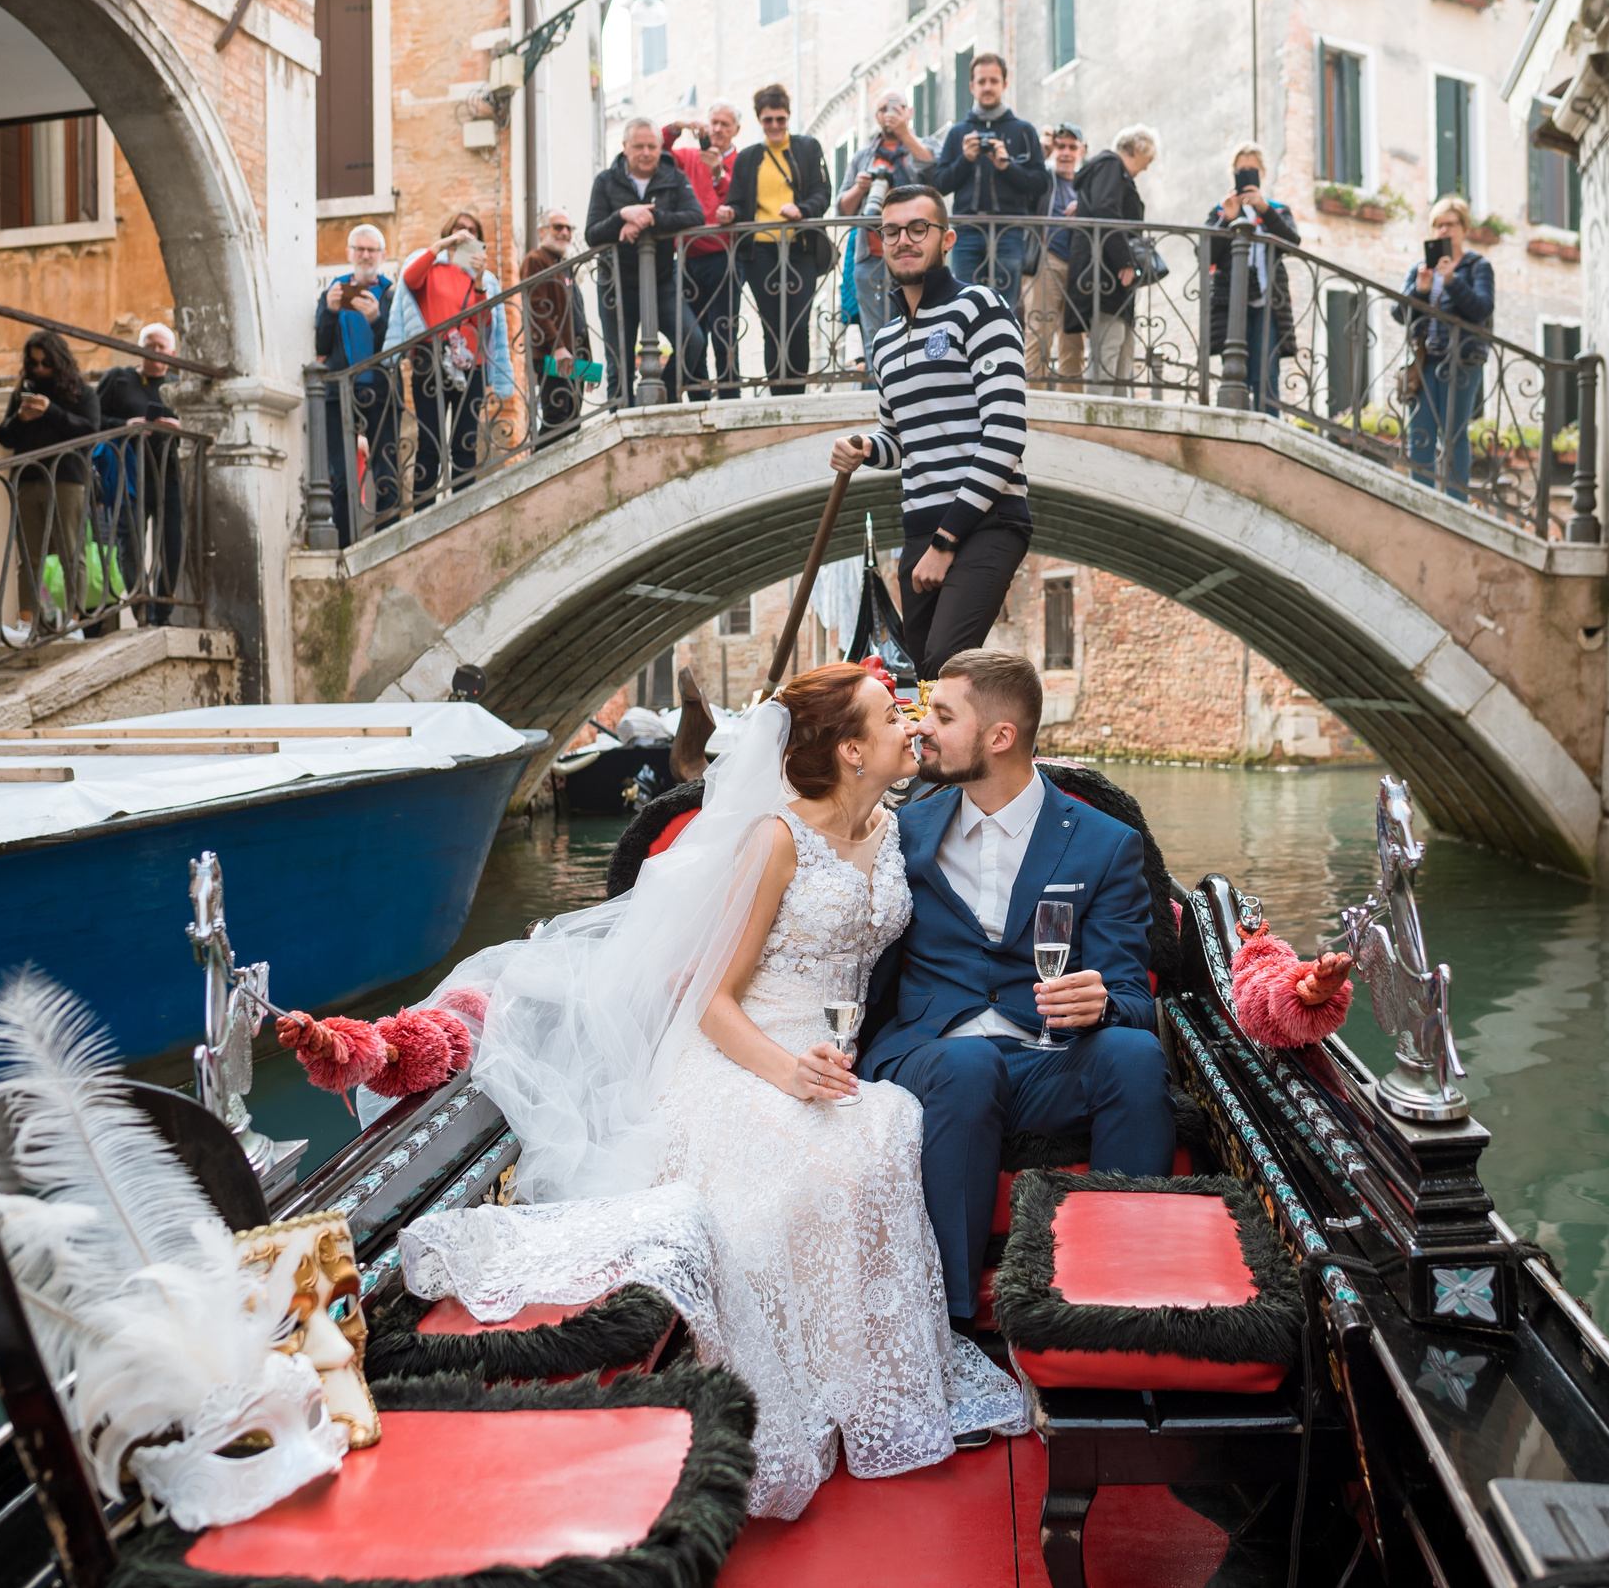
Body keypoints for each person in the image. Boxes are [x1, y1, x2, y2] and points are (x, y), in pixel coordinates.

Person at [411, 662, 1027, 1517]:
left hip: (834, 1060)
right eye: (893, 716)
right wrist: (786, 1072)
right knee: (837, 1154)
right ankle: (803, 1392)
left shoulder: (891, 828)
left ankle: (869, 1381)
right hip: (745, 1056)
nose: (912, 725)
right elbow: (710, 999)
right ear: (851, 749)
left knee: (888, 1125)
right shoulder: (775, 841)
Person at [862, 649, 1170, 1329]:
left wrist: (1103, 1002)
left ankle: (1115, 1303)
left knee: (1135, 1055)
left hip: (1044, 1059)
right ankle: (949, 1323)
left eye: (942, 715)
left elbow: (1134, 997)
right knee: (968, 1066)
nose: (922, 728)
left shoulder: (1105, 844)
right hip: (930, 1053)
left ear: (999, 736)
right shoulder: (902, 833)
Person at [831, 185, 1030, 677]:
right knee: (923, 678)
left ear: (946, 238)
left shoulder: (980, 308)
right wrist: (863, 447)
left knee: (947, 668)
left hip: (987, 521)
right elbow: (899, 439)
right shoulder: (884, 340)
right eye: (892, 231)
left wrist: (946, 542)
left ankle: (1009, 749)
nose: (905, 240)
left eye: (919, 228)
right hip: (921, 525)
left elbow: (1005, 433)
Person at [585, 118, 704, 405]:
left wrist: (651, 219)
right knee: (618, 362)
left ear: (661, 147)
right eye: (639, 146)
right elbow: (592, 233)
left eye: (652, 146)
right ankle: (621, 420)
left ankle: (660, 396)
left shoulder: (673, 177)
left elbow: (695, 216)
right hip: (616, 284)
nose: (646, 152)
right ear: (625, 147)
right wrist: (622, 216)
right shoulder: (605, 180)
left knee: (693, 341)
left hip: (662, 280)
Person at [400, 210, 515, 502]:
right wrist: (441, 246)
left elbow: (483, 323)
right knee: (429, 441)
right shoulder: (430, 266)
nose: (466, 233)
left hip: (471, 364)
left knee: (465, 440)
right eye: (459, 227)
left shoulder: (484, 279)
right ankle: (423, 512)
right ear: (448, 231)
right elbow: (410, 280)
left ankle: (462, 507)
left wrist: (478, 281)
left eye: (472, 230)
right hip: (432, 361)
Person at [0, 329, 102, 642]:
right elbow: (3, 436)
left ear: (59, 361)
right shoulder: (22, 393)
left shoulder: (82, 393)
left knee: (72, 552)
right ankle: (27, 624)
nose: (40, 369)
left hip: (67, 480)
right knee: (28, 556)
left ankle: (72, 621)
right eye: (34, 363)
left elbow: (90, 432)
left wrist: (51, 411)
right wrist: (21, 418)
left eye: (46, 363)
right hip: (27, 480)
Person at [726, 84, 832, 395]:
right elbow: (737, 201)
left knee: (798, 324)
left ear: (788, 117)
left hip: (800, 247)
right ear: (760, 120)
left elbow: (822, 193)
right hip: (760, 251)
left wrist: (801, 209)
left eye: (780, 119)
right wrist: (728, 212)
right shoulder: (748, 158)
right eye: (768, 120)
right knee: (772, 327)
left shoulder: (807, 148)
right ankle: (777, 394)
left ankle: (795, 392)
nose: (774, 126)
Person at [1392, 194, 1494, 499]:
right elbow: (1399, 314)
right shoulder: (1420, 269)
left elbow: (1482, 308)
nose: (1443, 231)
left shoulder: (1477, 266)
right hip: (1426, 359)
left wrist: (1452, 280)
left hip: (1463, 359)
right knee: (1420, 432)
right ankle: (1420, 500)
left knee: (1455, 434)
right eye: (1437, 225)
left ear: (1463, 228)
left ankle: (1456, 503)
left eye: (1450, 224)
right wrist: (1420, 291)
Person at [926, 53, 1049, 292]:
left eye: (993, 81)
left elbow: (1041, 184)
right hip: (967, 231)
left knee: (1006, 307)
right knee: (965, 303)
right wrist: (966, 159)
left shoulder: (1024, 131)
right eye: (982, 82)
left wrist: (1006, 167)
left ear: (1004, 84)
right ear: (972, 87)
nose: (988, 87)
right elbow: (939, 185)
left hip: (1010, 231)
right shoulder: (957, 133)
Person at [96, 323, 185, 620]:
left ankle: (163, 609)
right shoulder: (118, 379)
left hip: (169, 475)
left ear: (172, 353)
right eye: (149, 345)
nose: (155, 352)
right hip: (129, 474)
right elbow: (93, 421)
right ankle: (141, 608)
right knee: (130, 542)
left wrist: (179, 429)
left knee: (174, 543)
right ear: (137, 348)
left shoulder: (181, 386)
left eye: (161, 347)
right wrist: (126, 427)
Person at [1203, 145, 1300, 415]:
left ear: (1263, 173)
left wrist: (1264, 209)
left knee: (1266, 373)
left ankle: (1269, 427)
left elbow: (1292, 244)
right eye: (1240, 170)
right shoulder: (1221, 210)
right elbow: (1205, 254)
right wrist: (1228, 220)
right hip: (1231, 304)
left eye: (1252, 170)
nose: (1246, 175)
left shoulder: (1277, 210)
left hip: (1268, 304)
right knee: (1235, 374)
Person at [313, 224, 395, 541]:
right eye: (358, 249)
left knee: (387, 472)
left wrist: (376, 319)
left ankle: (390, 542)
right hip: (338, 396)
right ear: (349, 253)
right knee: (343, 478)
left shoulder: (391, 293)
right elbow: (321, 347)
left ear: (382, 255)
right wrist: (331, 312)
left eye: (371, 250)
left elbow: (395, 342)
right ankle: (347, 547)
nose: (365, 255)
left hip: (382, 393)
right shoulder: (331, 294)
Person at [838, 92, 934, 357]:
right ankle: (878, 395)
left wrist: (905, 135)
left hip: (917, 254)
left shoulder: (922, 145)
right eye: (882, 109)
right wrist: (859, 189)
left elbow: (934, 169)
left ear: (909, 112)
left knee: (922, 330)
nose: (889, 114)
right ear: (876, 117)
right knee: (876, 337)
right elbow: (842, 208)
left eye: (896, 108)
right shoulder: (862, 156)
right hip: (871, 256)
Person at [1069, 125, 1159, 397]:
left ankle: (1117, 415)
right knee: (1108, 347)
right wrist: (1126, 262)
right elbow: (1106, 210)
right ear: (1138, 150)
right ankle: (1098, 415)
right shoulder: (1110, 166)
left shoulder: (1110, 171)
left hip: (1112, 278)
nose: (1146, 168)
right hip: (1107, 275)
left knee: (1121, 348)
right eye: (1148, 160)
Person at [670, 105, 742, 398]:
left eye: (725, 124)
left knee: (724, 333)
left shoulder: (742, 161)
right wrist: (677, 126)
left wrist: (718, 175)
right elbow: (656, 156)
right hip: (688, 259)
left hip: (725, 257)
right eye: (714, 123)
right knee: (692, 335)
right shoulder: (688, 156)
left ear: (735, 129)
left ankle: (729, 397)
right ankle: (698, 396)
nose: (718, 129)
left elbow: (739, 204)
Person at [520, 209, 593, 442]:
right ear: (542, 232)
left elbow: (577, 315)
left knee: (573, 416)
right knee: (557, 415)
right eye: (557, 227)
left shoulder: (565, 264)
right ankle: (541, 474)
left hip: (573, 353)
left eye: (568, 228)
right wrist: (557, 347)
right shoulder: (536, 260)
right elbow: (536, 307)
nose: (564, 232)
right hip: (554, 353)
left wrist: (588, 364)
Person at [1024, 124, 1086, 390]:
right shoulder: (1043, 178)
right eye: (1061, 146)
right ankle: (1033, 406)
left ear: (1081, 151)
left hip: (1080, 265)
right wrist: (1041, 149)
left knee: (1074, 338)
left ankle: (1072, 407)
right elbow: (1023, 179)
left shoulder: (1088, 184)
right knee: (1039, 331)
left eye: (1072, 147)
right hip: (1047, 259)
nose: (1066, 153)